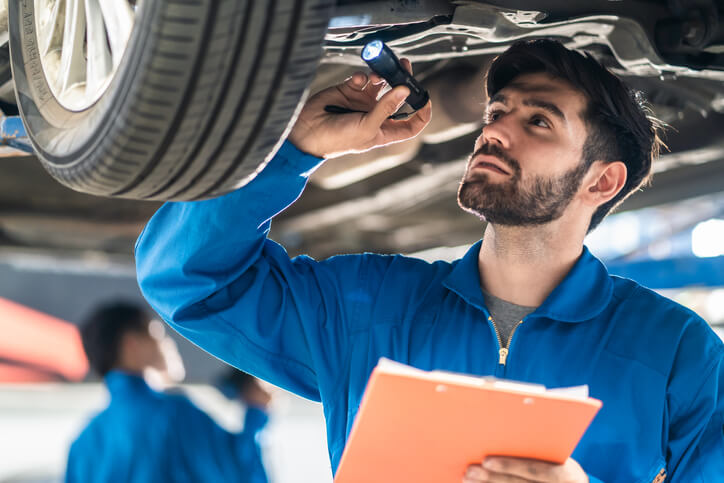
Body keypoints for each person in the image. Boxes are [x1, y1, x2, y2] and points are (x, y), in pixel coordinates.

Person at [135, 39, 724, 482]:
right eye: (496, 113)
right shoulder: (366, 304)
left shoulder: (675, 350)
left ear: (602, 180)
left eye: (537, 121)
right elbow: (189, 279)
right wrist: (295, 147)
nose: (494, 132)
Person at [65, 302, 272, 483]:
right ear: (131, 344)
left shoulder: (83, 444)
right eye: (157, 332)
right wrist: (256, 413)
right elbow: (239, 474)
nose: (168, 343)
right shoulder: (175, 415)